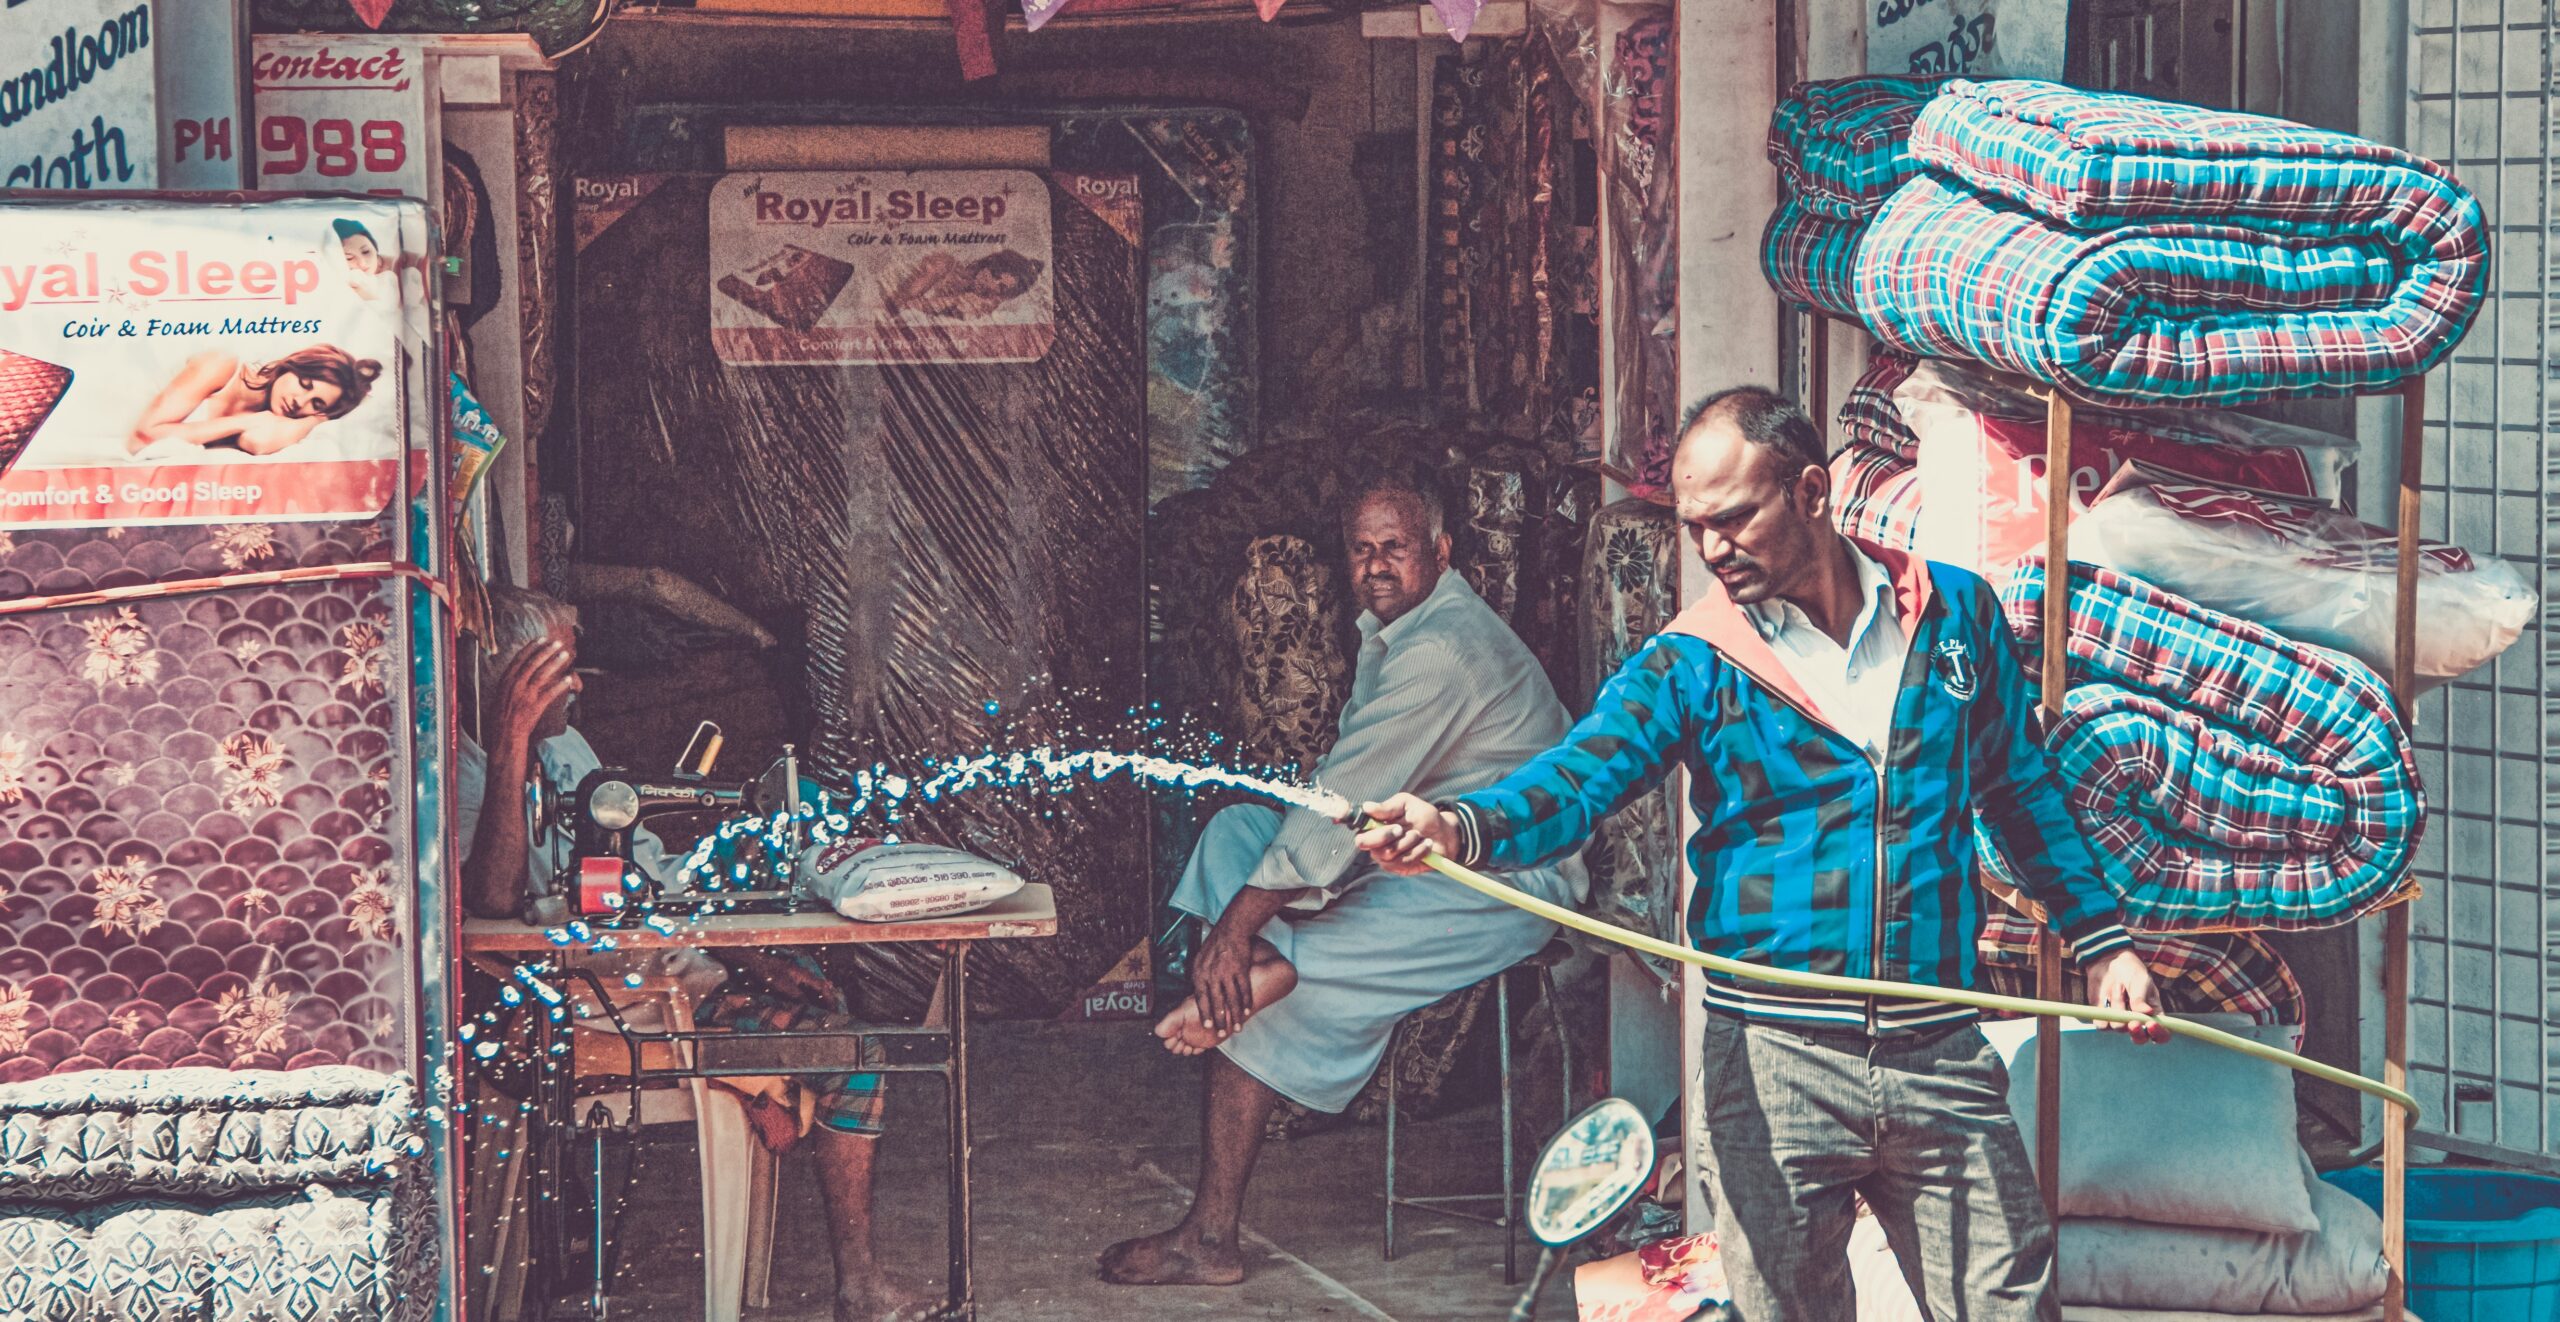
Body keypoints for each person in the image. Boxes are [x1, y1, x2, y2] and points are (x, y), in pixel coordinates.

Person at [1356, 388, 2165, 1321]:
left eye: (1734, 519)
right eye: (1696, 526)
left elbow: (2020, 792)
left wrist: (2104, 943)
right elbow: (1580, 780)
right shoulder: (1695, 659)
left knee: (2010, 1305)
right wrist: (1459, 827)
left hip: (1937, 1048)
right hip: (1772, 1061)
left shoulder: (1956, 618)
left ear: (1813, 492)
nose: (1712, 549)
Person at [1100, 475, 1587, 1288]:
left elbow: (1345, 803)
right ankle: (1271, 967)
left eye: (1396, 548)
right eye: (1362, 550)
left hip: (1500, 887)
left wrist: (1234, 928)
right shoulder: (1398, 628)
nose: (1377, 566)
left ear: (1441, 551)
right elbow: (1342, 798)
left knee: (1258, 980)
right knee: (1235, 832)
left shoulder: (1443, 650)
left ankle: (1210, 1233)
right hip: (1416, 851)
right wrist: (1256, 918)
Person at [457, 586, 929, 1322]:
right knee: (857, 1056)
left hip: (661, 982)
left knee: (817, 993)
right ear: (513, 676)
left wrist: (748, 958)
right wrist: (509, 741)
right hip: (611, 1016)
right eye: (560, 672)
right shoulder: (459, 768)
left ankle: (769, 1093)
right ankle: (859, 1285)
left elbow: (649, 881)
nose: (578, 686)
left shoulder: (569, 748)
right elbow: (488, 899)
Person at [127, 345, 381, 456]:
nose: (298, 401)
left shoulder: (271, 421)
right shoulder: (222, 363)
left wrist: (317, 419)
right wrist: (247, 420)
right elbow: (143, 437)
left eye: (316, 403)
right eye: (305, 384)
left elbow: (256, 443)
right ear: (291, 365)